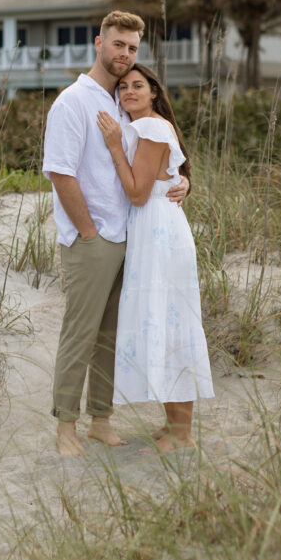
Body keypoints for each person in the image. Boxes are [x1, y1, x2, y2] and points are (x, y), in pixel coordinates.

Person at [42, 12, 188, 457]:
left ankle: (99, 421)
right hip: (94, 239)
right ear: (99, 42)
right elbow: (60, 173)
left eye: (132, 48)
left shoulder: (123, 102)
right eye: (118, 45)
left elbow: (153, 161)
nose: (125, 55)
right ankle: (65, 428)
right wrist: (88, 233)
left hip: (133, 237)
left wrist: (181, 183)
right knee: (81, 333)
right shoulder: (73, 102)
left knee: (110, 336)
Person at [96, 63, 214, 452]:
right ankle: (173, 424)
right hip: (157, 231)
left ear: (153, 93)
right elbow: (168, 176)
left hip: (160, 236)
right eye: (124, 87)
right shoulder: (151, 126)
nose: (129, 91)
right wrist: (183, 181)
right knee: (165, 322)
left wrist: (114, 146)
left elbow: (137, 193)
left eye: (138, 86)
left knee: (171, 325)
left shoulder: (150, 127)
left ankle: (183, 434)